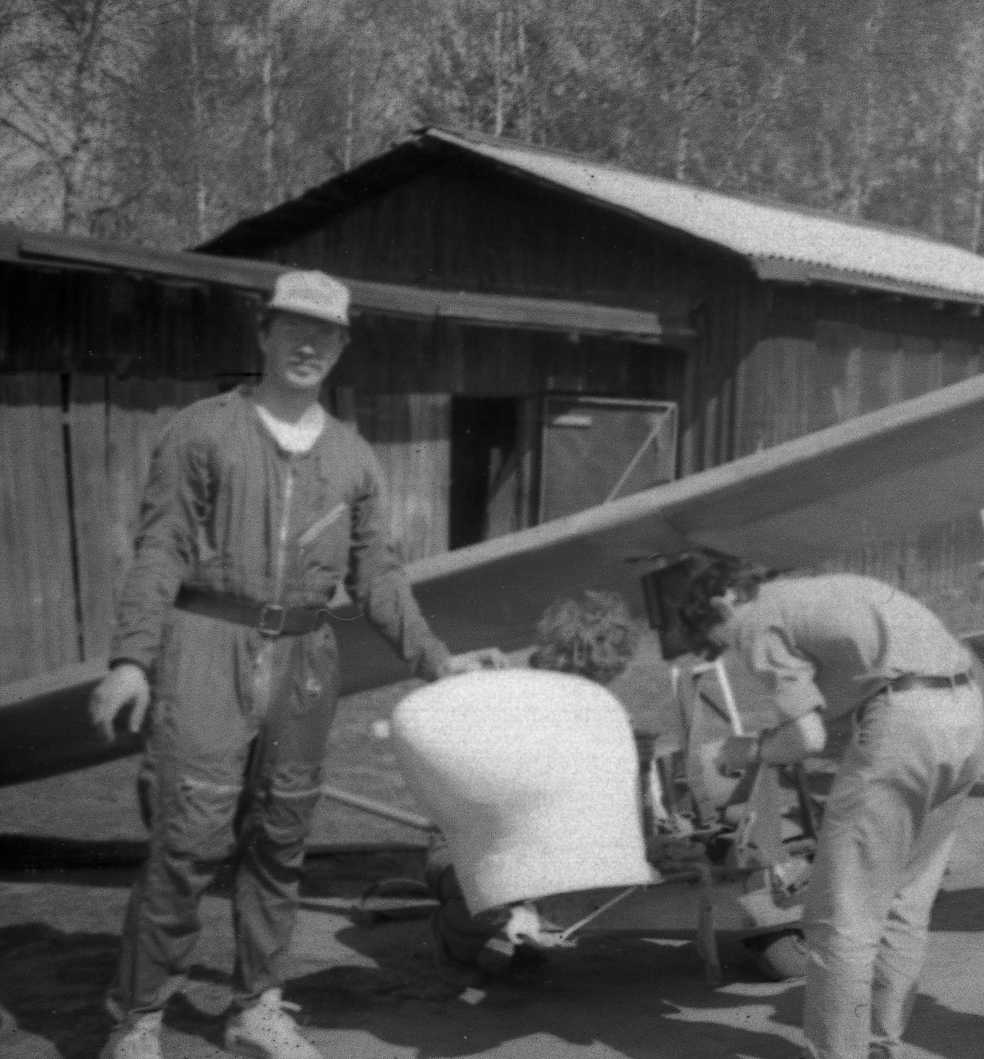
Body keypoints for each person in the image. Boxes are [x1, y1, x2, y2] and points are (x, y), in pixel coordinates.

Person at [88, 270, 492, 1059]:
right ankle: (137, 1019)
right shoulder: (201, 430)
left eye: (326, 333)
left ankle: (257, 1005)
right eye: (295, 328)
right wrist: (132, 659)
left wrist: (436, 660)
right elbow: (161, 545)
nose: (309, 344)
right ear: (264, 332)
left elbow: (377, 576)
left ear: (342, 345)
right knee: (187, 840)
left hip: (306, 659)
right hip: (207, 644)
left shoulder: (353, 458)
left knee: (279, 839)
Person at [661, 550, 984, 1059]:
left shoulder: (755, 619)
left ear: (723, 601)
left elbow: (808, 738)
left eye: (717, 635)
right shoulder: (814, 592)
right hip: (964, 710)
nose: (729, 648)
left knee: (840, 919)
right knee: (904, 902)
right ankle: (883, 1045)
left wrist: (741, 751)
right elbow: (841, 698)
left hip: (905, 722)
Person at [421, 590, 638, 970]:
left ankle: (522, 934)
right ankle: (455, 938)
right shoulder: (511, 696)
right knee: (495, 894)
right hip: (466, 846)